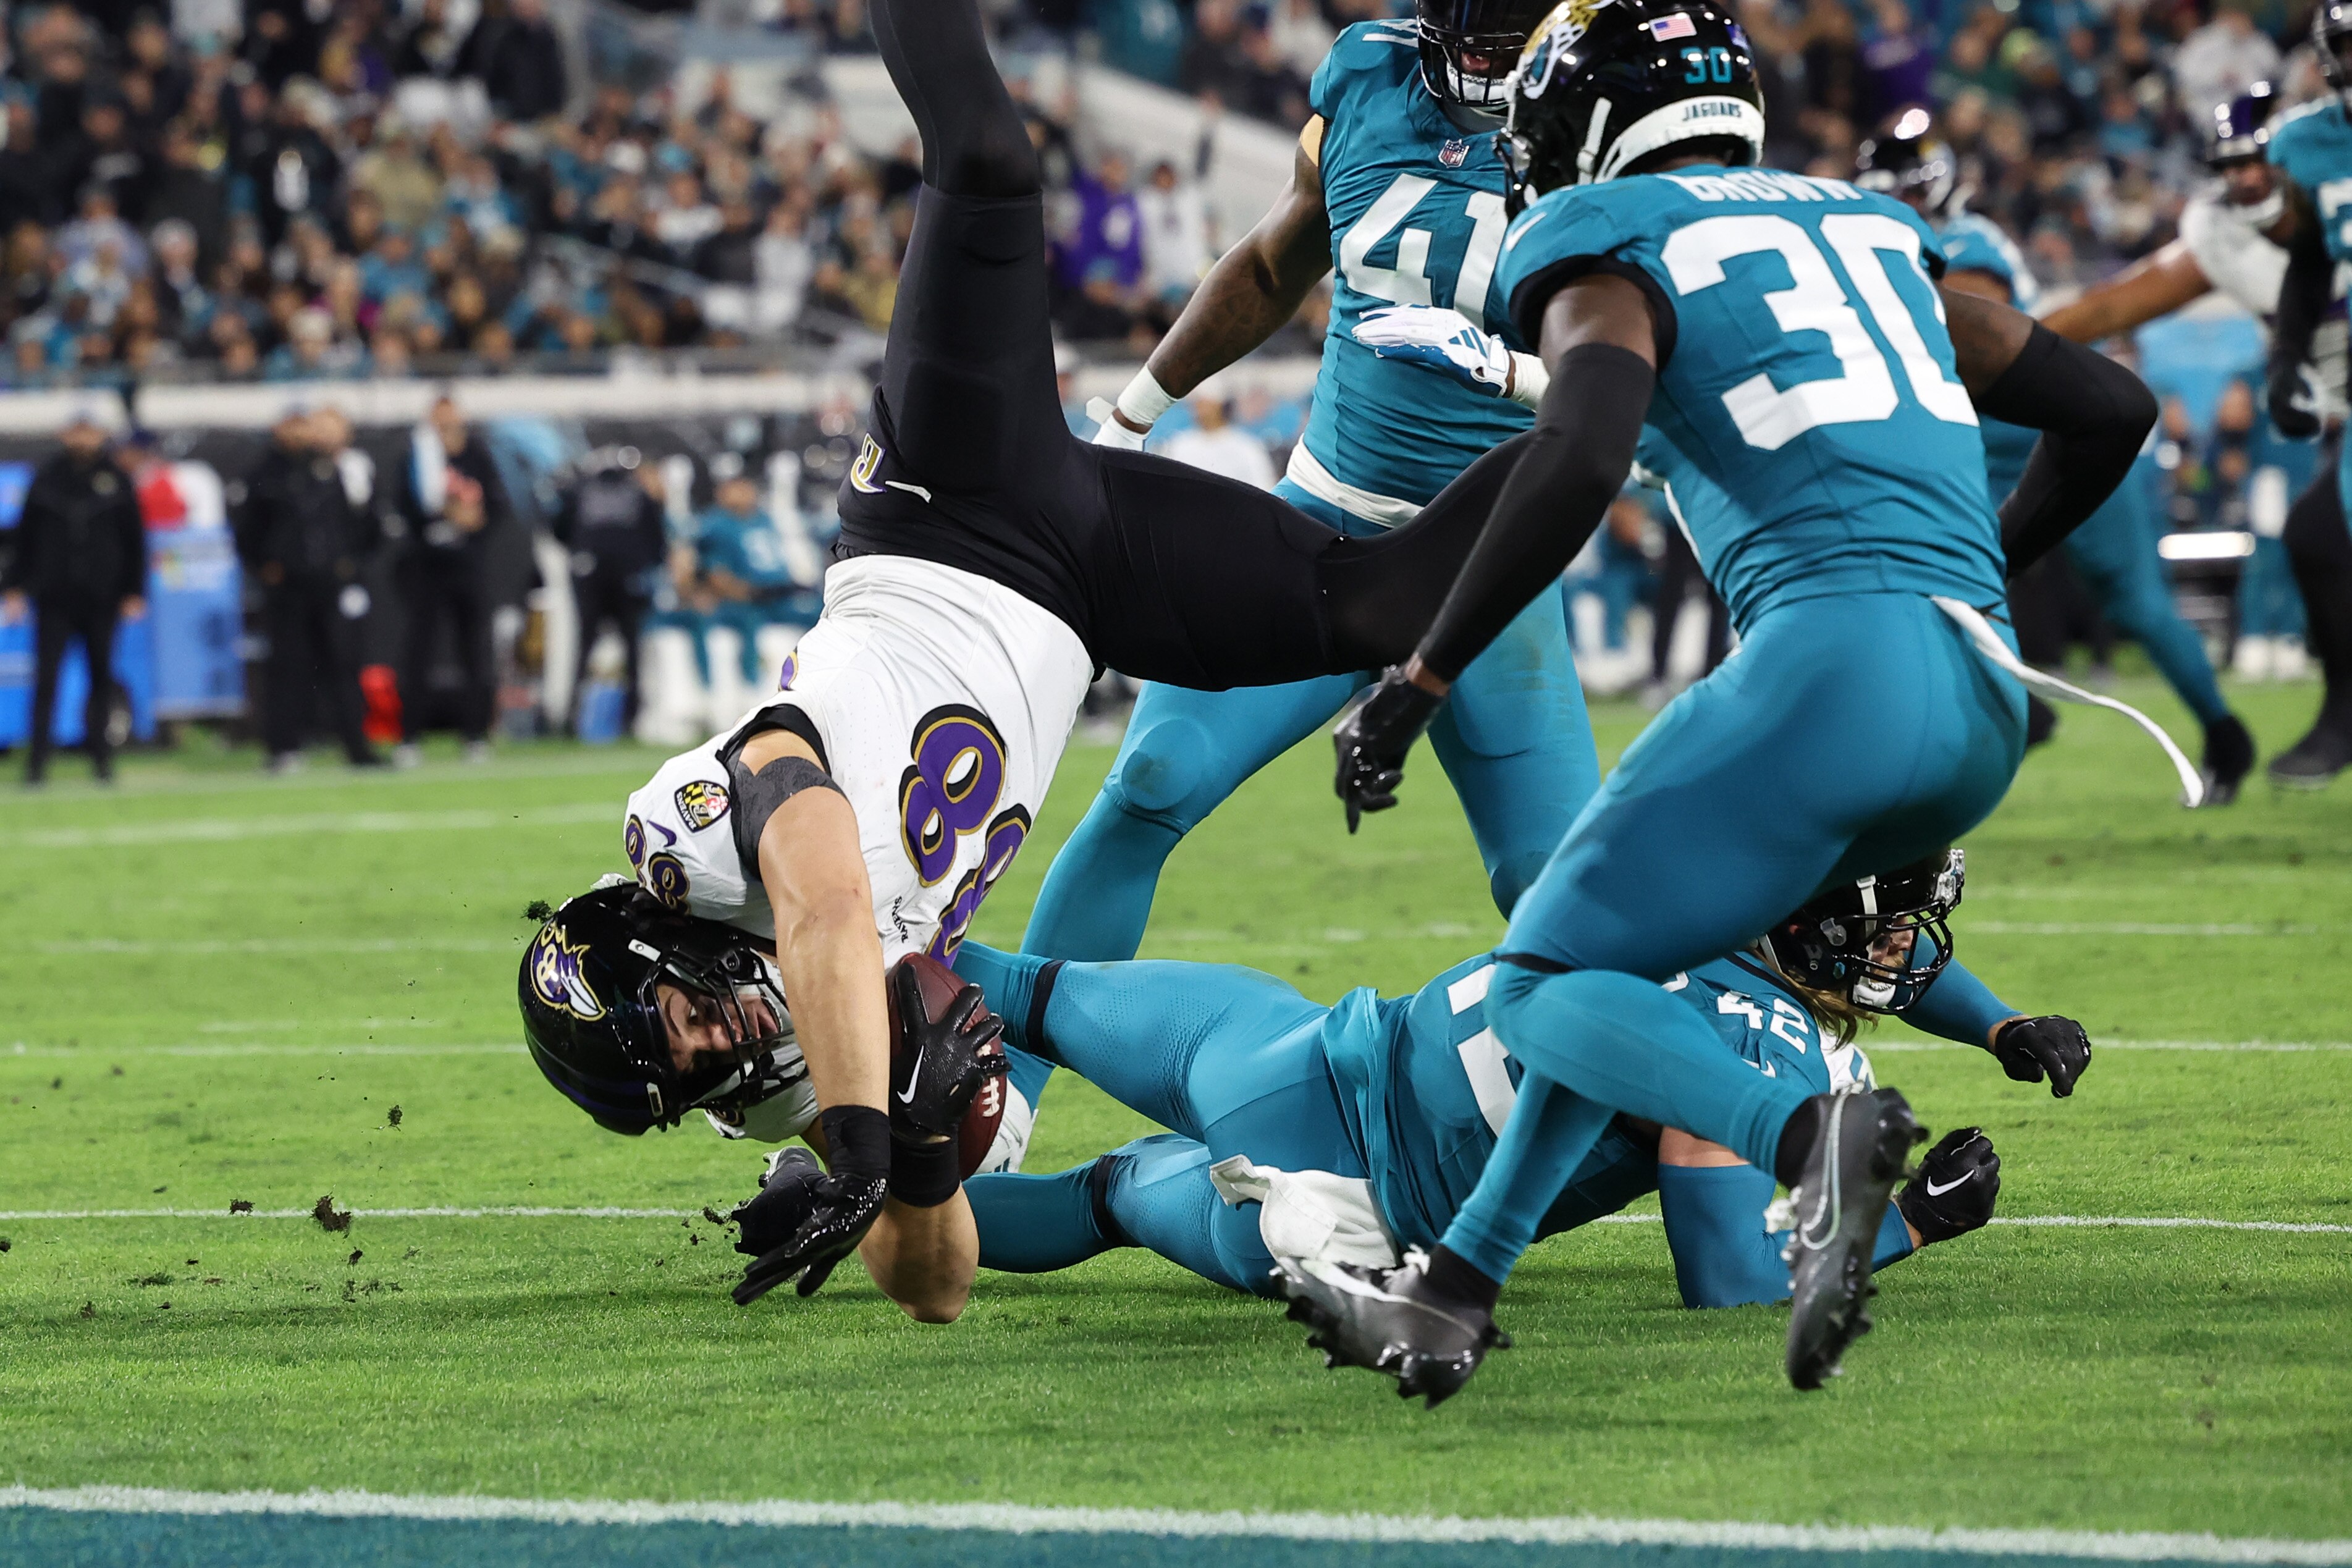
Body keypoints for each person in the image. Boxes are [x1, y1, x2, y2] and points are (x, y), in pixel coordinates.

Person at [519, 0, 1554, 1316]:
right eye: (679, 1077)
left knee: (992, 166)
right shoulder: (779, 1080)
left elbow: (829, 910)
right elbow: (933, 1287)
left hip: (952, 512)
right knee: (1386, 603)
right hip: (1084, 593)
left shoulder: (689, 844)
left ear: (662, 946)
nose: (713, 1048)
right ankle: (1605, 401)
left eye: (677, 1030)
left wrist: (853, 1139)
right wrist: (905, 1177)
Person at [1297, 0, 2155, 1401]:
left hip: (1827, 671)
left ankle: (1802, 1136)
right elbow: (2109, 409)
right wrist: (1955, 582)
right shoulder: (1869, 223)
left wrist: (1421, 672)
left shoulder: (1601, 231)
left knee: (1539, 980)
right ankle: (1453, 1284)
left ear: (1584, 113)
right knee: (1604, 963)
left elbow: (1573, 460)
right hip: (1978, 692)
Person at [1031, 0, 1594, 974]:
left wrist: (1508, 372)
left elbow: (1656, 374)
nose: (1489, 60)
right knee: (1151, 782)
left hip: (1489, 565)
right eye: (1475, 32)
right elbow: (1269, 261)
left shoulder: (1601, 116)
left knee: (1556, 884)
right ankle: (1001, 1109)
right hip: (1328, 536)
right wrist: (1126, 417)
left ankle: (1617, 1121)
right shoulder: (1366, 74)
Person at [957, 854, 2088, 1321]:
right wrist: (1912, 1221)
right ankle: (872, 1198)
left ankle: (818, 1049)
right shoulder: (1753, 1046)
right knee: (1103, 1195)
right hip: (1338, 1194)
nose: (1904, 952)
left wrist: (1991, 1022)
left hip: (1290, 1043)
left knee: (998, 980)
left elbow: (1828, 940)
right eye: (1884, 931)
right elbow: (1726, 1272)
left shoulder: (1683, 870)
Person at [2261, 13, 2352, 788]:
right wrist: (2286, 358)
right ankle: (2342, 716)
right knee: (2321, 537)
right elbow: (2311, 260)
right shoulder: (2309, 145)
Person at [234, 407, 384, 773]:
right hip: (288, 586)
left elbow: (355, 527)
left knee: (344, 665)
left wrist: (349, 562)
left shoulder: (330, 468)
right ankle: (284, 747)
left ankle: (356, 746)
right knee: (287, 667)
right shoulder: (263, 473)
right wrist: (265, 567)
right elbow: (245, 531)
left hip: (330, 583)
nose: (300, 432)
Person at [1, 405, 145, 785]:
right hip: (54, 597)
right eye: (77, 431)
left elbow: (134, 539)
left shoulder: (116, 479)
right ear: (65, 435)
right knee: (46, 679)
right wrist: (14, 586)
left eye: (90, 431)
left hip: (102, 596)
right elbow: (25, 539)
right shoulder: (46, 479)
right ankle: (38, 765)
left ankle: (102, 762)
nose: (83, 439)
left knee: (102, 677)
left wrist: (134, 589)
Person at [394, 395, 507, 767]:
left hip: (468, 567)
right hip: (427, 568)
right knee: (418, 653)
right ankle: (409, 737)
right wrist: (438, 515)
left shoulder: (477, 454)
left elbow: (500, 505)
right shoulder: (416, 456)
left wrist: (476, 520)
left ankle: (475, 734)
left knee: (475, 651)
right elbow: (400, 508)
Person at [554, 447, 669, 736]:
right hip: (622, 582)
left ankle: (574, 716)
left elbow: (560, 529)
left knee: (587, 648)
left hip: (593, 580)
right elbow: (657, 540)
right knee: (629, 650)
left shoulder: (584, 493)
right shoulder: (635, 494)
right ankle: (629, 718)